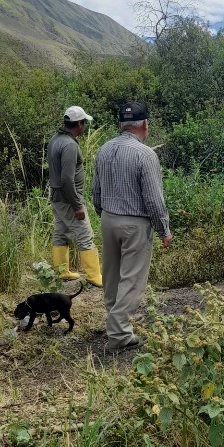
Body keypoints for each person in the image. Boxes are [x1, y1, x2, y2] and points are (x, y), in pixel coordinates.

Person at [92, 102, 172, 352]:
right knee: (133, 278)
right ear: (145, 125)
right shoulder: (145, 155)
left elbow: (96, 190)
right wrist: (164, 229)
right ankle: (119, 334)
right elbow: (153, 199)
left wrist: (103, 213)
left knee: (112, 275)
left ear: (120, 125)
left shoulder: (104, 149)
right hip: (135, 223)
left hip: (108, 218)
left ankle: (114, 322)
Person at [47, 106, 102, 284]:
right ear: (79, 124)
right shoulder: (70, 145)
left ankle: (61, 272)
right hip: (69, 199)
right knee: (85, 234)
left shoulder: (55, 139)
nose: (84, 126)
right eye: (84, 123)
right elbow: (67, 179)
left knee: (61, 232)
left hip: (57, 197)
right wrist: (77, 205)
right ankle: (94, 276)